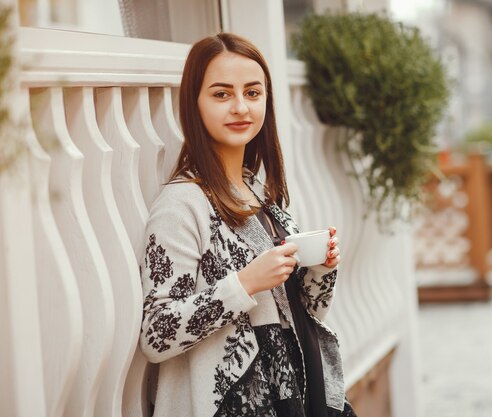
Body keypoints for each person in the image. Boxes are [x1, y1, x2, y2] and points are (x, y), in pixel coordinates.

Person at [139, 32, 357, 417]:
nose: (241, 107)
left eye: (253, 93)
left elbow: (306, 311)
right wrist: (246, 282)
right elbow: (158, 333)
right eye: (222, 94)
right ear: (195, 103)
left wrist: (321, 270)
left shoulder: (256, 190)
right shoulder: (181, 205)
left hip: (293, 392)